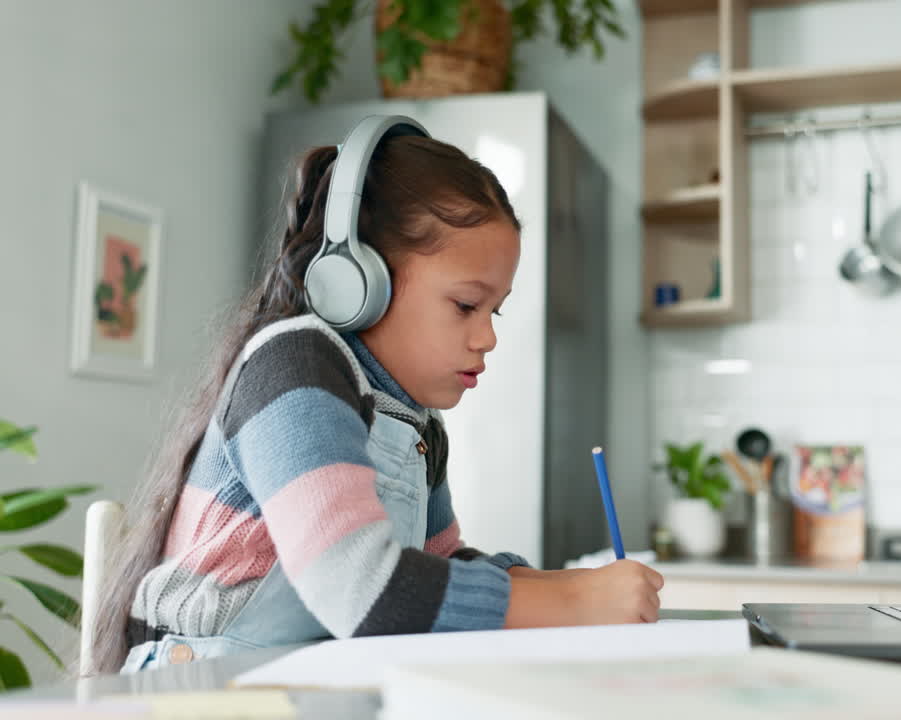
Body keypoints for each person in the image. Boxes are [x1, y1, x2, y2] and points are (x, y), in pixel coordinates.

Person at [86, 116, 662, 676]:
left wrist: (561, 585)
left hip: (304, 678)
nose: (488, 337)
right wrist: (576, 604)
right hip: (199, 688)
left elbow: (433, 568)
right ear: (358, 279)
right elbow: (358, 589)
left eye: (495, 311)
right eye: (466, 305)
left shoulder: (417, 422)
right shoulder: (294, 366)